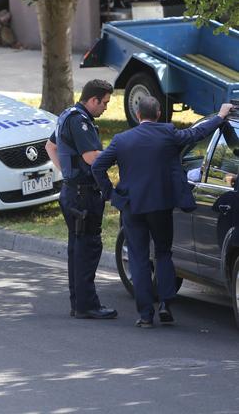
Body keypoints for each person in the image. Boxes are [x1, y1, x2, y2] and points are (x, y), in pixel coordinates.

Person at [92, 96, 233, 327]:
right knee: (163, 253)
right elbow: (196, 134)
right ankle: (166, 305)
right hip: (161, 206)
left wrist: (111, 194)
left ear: (138, 115)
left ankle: (145, 314)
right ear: (158, 114)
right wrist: (220, 116)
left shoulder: (122, 140)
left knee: (138, 258)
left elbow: (97, 166)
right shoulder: (167, 133)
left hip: (132, 206)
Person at [45, 79, 117, 320]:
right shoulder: (80, 121)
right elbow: (91, 157)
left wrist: (66, 173)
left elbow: (50, 147)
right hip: (83, 195)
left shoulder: (68, 114)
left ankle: (79, 302)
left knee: (77, 248)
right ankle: (87, 305)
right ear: (93, 99)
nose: (106, 108)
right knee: (88, 248)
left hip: (72, 191)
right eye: (105, 102)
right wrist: (119, 154)